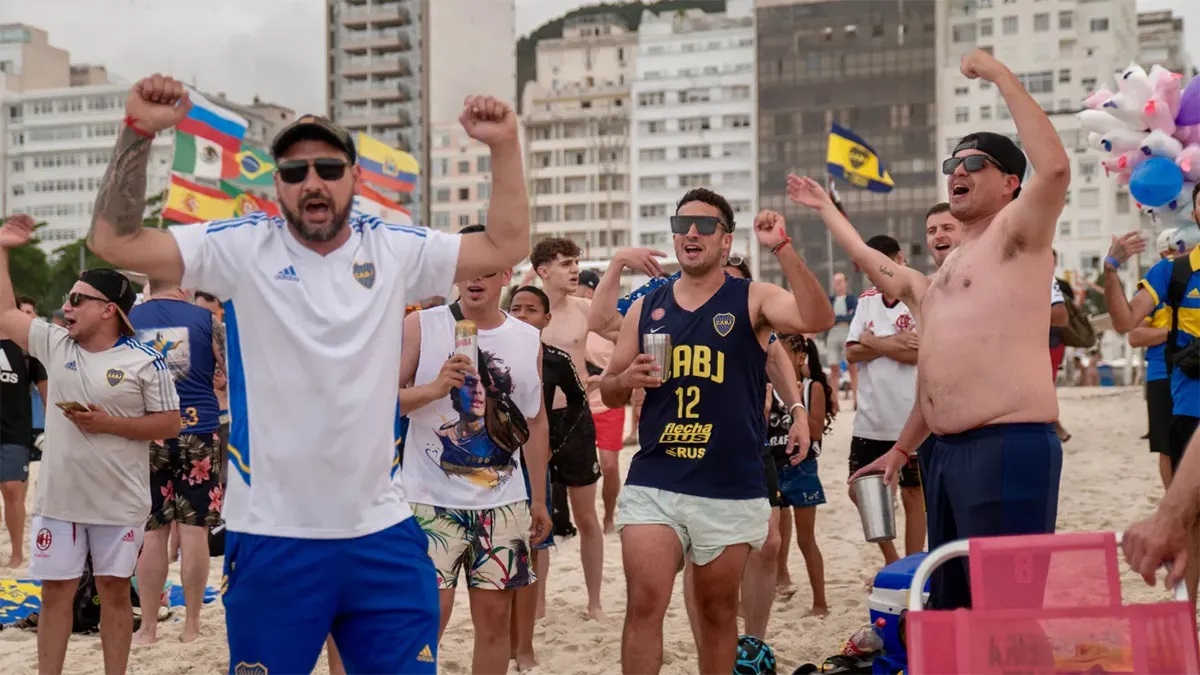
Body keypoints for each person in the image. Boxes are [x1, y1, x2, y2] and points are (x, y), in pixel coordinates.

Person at [84, 73, 530, 673]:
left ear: (355, 178)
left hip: (382, 531)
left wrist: (503, 145)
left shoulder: (392, 249)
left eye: (327, 167)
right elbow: (115, 241)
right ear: (277, 187)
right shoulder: (241, 249)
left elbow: (506, 244)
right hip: (274, 534)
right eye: (294, 172)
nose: (312, 182)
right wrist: (137, 132)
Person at [800, 48, 1072, 611]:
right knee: (952, 608)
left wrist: (1000, 74)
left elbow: (1057, 169)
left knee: (1007, 611)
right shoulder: (943, 275)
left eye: (974, 164)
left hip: (1007, 444)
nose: (958, 172)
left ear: (1010, 184)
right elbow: (881, 273)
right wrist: (902, 451)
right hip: (943, 454)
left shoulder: (1017, 237)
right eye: (952, 166)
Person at [600, 190, 832, 674]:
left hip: (728, 482)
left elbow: (817, 319)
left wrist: (782, 247)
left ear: (725, 242)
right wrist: (626, 379)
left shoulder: (753, 298)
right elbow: (611, 389)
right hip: (656, 480)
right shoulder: (647, 308)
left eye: (705, 227)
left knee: (717, 613)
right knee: (644, 604)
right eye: (683, 224)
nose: (691, 233)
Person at [1, 215, 181, 675]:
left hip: (118, 502)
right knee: (55, 592)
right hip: (60, 501)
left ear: (109, 310)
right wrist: (2, 251)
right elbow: (4, 316)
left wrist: (108, 424)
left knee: (114, 590)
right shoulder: (57, 343)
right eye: (67, 298)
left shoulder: (146, 361)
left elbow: (171, 423)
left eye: (78, 299)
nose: (67, 307)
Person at [398, 224, 552, 675]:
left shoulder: (527, 338)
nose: (475, 279)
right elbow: (382, 399)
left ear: (506, 273)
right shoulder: (421, 325)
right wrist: (432, 388)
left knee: (493, 627)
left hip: (503, 504)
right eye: (466, 268)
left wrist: (538, 496)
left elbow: (535, 420)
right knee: (426, 621)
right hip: (429, 503)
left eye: (486, 269)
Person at [1103, 216, 1200, 611]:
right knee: (1191, 522)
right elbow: (1126, 322)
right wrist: (1110, 268)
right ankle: (1185, 624)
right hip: (1189, 403)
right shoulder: (1172, 272)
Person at [128, 278, 225, 644]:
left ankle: (148, 627)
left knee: (152, 533)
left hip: (148, 429)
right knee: (194, 530)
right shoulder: (205, 319)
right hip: (198, 428)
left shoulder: (128, 317)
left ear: (149, 284)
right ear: (183, 285)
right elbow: (232, 376)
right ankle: (192, 626)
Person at [507, 284, 588, 670]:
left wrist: (553, 440)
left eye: (531, 310)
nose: (523, 316)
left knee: (536, 540)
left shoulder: (555, 359)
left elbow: (579, 400)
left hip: (536, 458)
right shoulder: (489, 353)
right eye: (516, 308)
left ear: (546, 319)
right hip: (496, 461)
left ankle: (532, 614)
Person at [530, 237, 607, 621]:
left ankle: (594, 602)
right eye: (565, 263)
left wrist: (606, 375)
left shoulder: (586, 309)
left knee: (587, 516)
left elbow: (625, 337)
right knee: (537, 515)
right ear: (543, 271)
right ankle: (539, 602)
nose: (575, 269)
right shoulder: (525, 310)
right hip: (535, 422)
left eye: (576, 262)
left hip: (576, 421)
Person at [844, 235, 924, 565]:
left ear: (899, 259)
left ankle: (913, 564)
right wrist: (893, 342)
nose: (874, 275)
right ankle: (893, 562)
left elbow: (917, 354)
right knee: (861, 491)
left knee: (913, 495)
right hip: (872, 419)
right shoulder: (866, 300)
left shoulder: (918, 293)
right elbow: (851, 350)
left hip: (912, 418)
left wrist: (873, 342)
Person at [773, 334, 831, 617]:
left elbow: (816, 431)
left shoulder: (812, 387)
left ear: (799, 358)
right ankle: (778, 579)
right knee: (771, 538)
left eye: (783, 354)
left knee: (806, 539)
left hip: (803, 467)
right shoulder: (766, 385)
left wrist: (795, 403)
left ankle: (820, 602)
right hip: (772, 466)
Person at [1128, 230, 1183, 488]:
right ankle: (1172, 501)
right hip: (1162, 375)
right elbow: (1135, 336)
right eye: (1175, 250)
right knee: (1167, 447)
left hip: (1191, 375)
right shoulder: (1155, 289)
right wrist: (1172, 333)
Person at [1, 292, 47, 569]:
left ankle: (17, 552)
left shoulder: (27, 351)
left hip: (15, 429)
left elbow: (46, 394)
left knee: (12, 489)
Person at [826, 272, 858, 410]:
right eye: (835, 282)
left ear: (845, 283)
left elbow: (854, 316)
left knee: (852, 367)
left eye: (840, 281)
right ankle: (834, 400)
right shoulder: (830, 300)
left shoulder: (851, 299)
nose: (838, 284)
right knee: (834, 368)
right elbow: (827, 318)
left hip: (848, 333)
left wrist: (838, 318)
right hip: (833, 334)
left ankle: (856, 399)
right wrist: (841, 317)